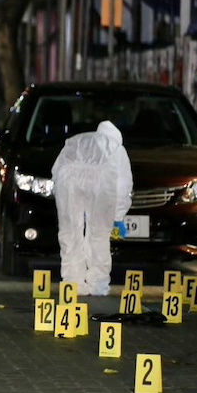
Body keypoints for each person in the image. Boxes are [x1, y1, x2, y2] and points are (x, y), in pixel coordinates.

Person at [50, 120, 133, 296]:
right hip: (102, 179)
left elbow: (56, 170)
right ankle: (99, 284)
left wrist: (61, 194)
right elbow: (123, 184)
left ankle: (73, 282)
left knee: (70, 231)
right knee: (99, 233)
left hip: (68, 177)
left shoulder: (77, 140)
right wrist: (118, 216)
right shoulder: (117, 148)